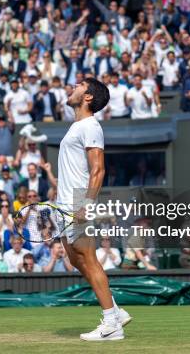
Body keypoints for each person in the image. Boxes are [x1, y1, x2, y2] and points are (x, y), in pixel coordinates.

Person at [55, 77, 131, 341]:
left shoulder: (90, 125)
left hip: (77, 201)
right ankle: (117, 312)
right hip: (65, 202)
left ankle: (111, 323)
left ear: (88, 97)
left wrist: (86, 204)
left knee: (88, 258)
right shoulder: (77, 126)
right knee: (76, 258)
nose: (72, 88)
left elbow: (98, 169)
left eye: (78, 86)